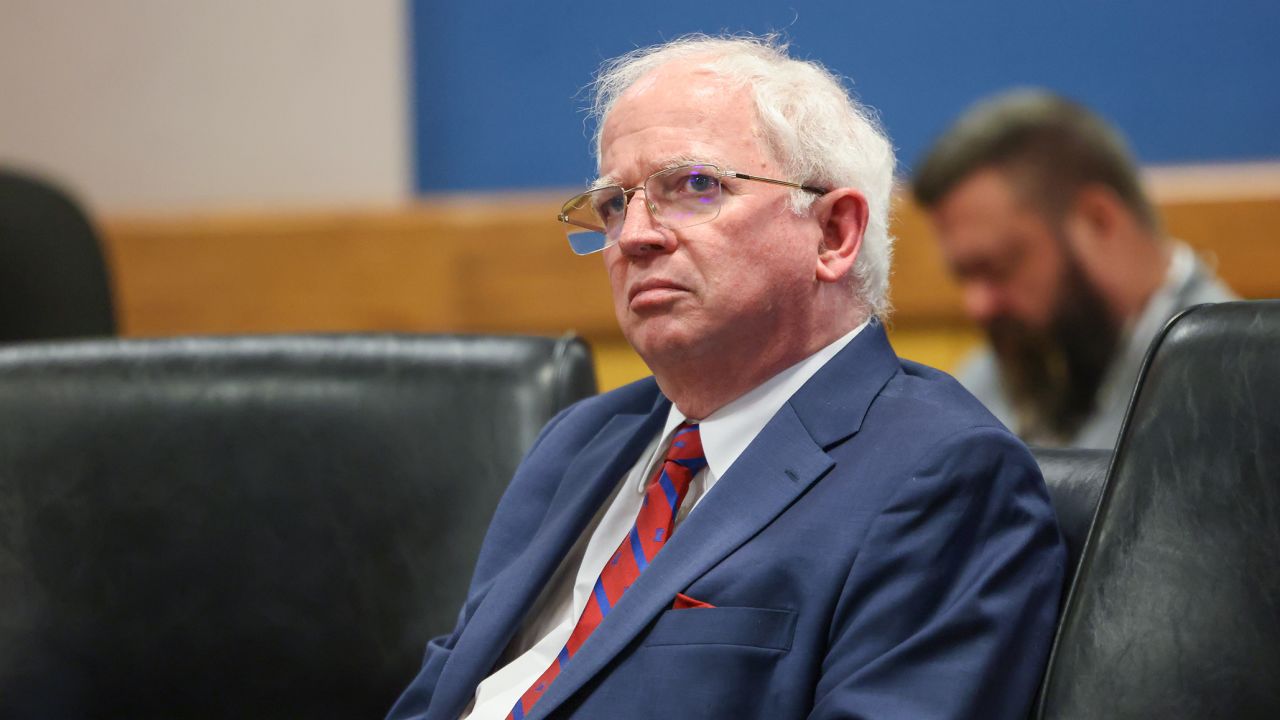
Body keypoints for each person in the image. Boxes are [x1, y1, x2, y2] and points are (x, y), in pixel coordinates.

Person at [389, 35, 1064, 720]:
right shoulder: (579, 441)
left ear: (833, 234)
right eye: (615, 204)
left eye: (694, 187)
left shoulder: (943, 474)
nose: (634, 237)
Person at [912, 90, 1237, 449]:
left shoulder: (1241, 384)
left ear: (1099, 222)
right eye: (965, 277)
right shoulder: (987, 384)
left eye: (998, 268)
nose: (977, 304)